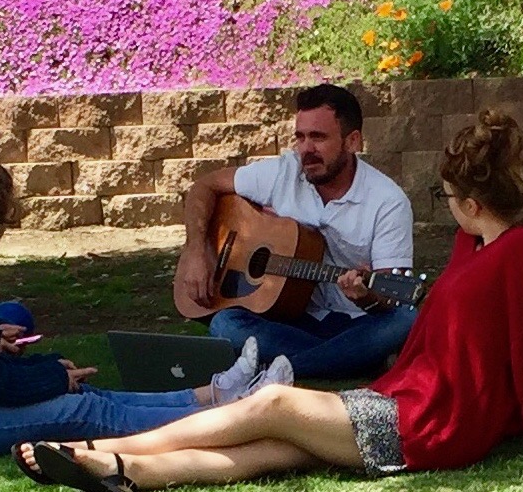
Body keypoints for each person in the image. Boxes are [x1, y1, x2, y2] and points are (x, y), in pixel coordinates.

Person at [17, 109, 523, 492]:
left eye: (451, 193)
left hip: (423, 428)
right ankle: (122, 469)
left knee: (270, 402)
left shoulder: (522, 254)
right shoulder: (475, 245)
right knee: (269, 449)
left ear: (473, 203)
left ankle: (94, 447)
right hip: (402, 403)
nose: (447, 203)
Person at [0, 151, 293, 462]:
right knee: (81, 409)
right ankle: (234, 415)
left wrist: (5, 349)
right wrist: (50, 376)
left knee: (84, 395)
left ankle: (214, 394)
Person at [175, 83, 417, 379]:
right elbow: (205, 186)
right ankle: (349, 361)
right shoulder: (283, 172)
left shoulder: (388, 201)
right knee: (226, 323)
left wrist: (364, 296)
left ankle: (278, 370)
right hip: (290, 317)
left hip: (356, 322)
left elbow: (389, 296)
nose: (306, 150)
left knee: (405, 319)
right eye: (300, 137)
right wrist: (196, 250)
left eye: (318, 137)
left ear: (352, 141)